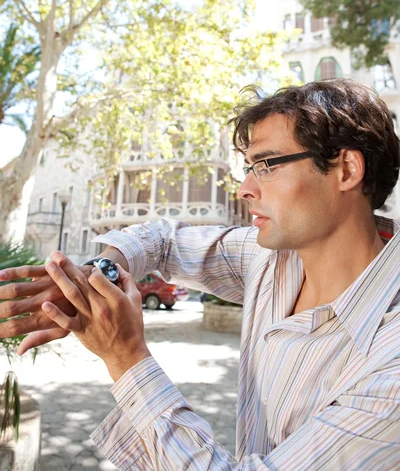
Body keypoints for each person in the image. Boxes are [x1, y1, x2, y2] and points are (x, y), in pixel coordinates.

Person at [1, 78, 400, 470]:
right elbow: (161, 239)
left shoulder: (390, 362)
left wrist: (126, 356)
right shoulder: (270, 260)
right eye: (248, 167)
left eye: (265, 165)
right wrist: (96, 275)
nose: (245, 188)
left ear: (346, 169)